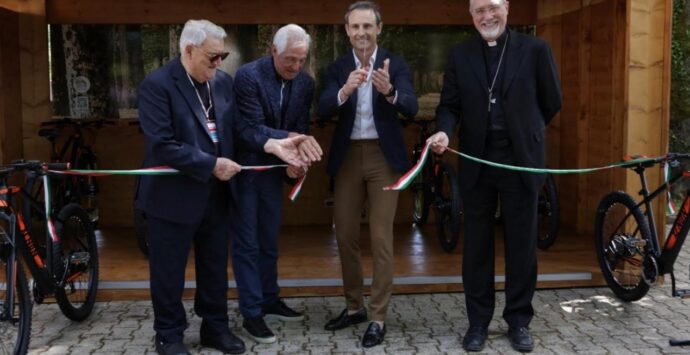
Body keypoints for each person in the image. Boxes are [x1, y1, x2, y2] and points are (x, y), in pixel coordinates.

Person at [135, 19, 312, 355]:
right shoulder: (158, 85)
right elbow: (162, 144)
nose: (219, 64)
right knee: (169, 270)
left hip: (216, 194)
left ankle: (214, 328)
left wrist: (274, 145)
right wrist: (211, 164)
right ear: (189, 50)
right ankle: (169, 335)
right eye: (212, 57)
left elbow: (242, 130)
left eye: (222, 56)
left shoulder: (223, 83)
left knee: (215, 266)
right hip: (172, 197)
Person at [427, 0, 562, 352]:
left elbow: (552, 100)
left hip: (520, 161)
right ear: (471, 16)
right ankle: (478, 323)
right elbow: (449, 105)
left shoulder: (535, 49)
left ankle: (518, 320)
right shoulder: (461, 54)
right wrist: (444, 131)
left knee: (521, 246)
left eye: (492, 8)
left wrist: (525, 131)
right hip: (477, 160)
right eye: (478, 11)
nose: (486, 16)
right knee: (476, 247)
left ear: (506, 8)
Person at [317, 1, 418, 348]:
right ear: (347, 30)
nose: (361, 32)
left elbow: (412, 107)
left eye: (367, 26)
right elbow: (322, 108)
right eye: (355, 27)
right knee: (344, 233)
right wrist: (344, 90)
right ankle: (354, 307)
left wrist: (389, 91)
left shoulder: (396, 63)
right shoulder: (337, 67)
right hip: (348, 157)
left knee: (380, 237)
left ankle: (377, 317)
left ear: (379, 29)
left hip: (382, 157)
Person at [231, 24, 322, 344]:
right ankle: (251, 313)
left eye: (302, 60)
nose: (296, 67)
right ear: (273, 51)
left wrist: (294, 165)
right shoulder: (248, 76)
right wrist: (291, 142)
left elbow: (299, 125)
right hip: (245, 170)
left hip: (273, 172)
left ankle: (270, 298)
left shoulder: (306, 83)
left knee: (269, 240)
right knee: (247, 243)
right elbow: (249, 129)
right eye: (289, 60)